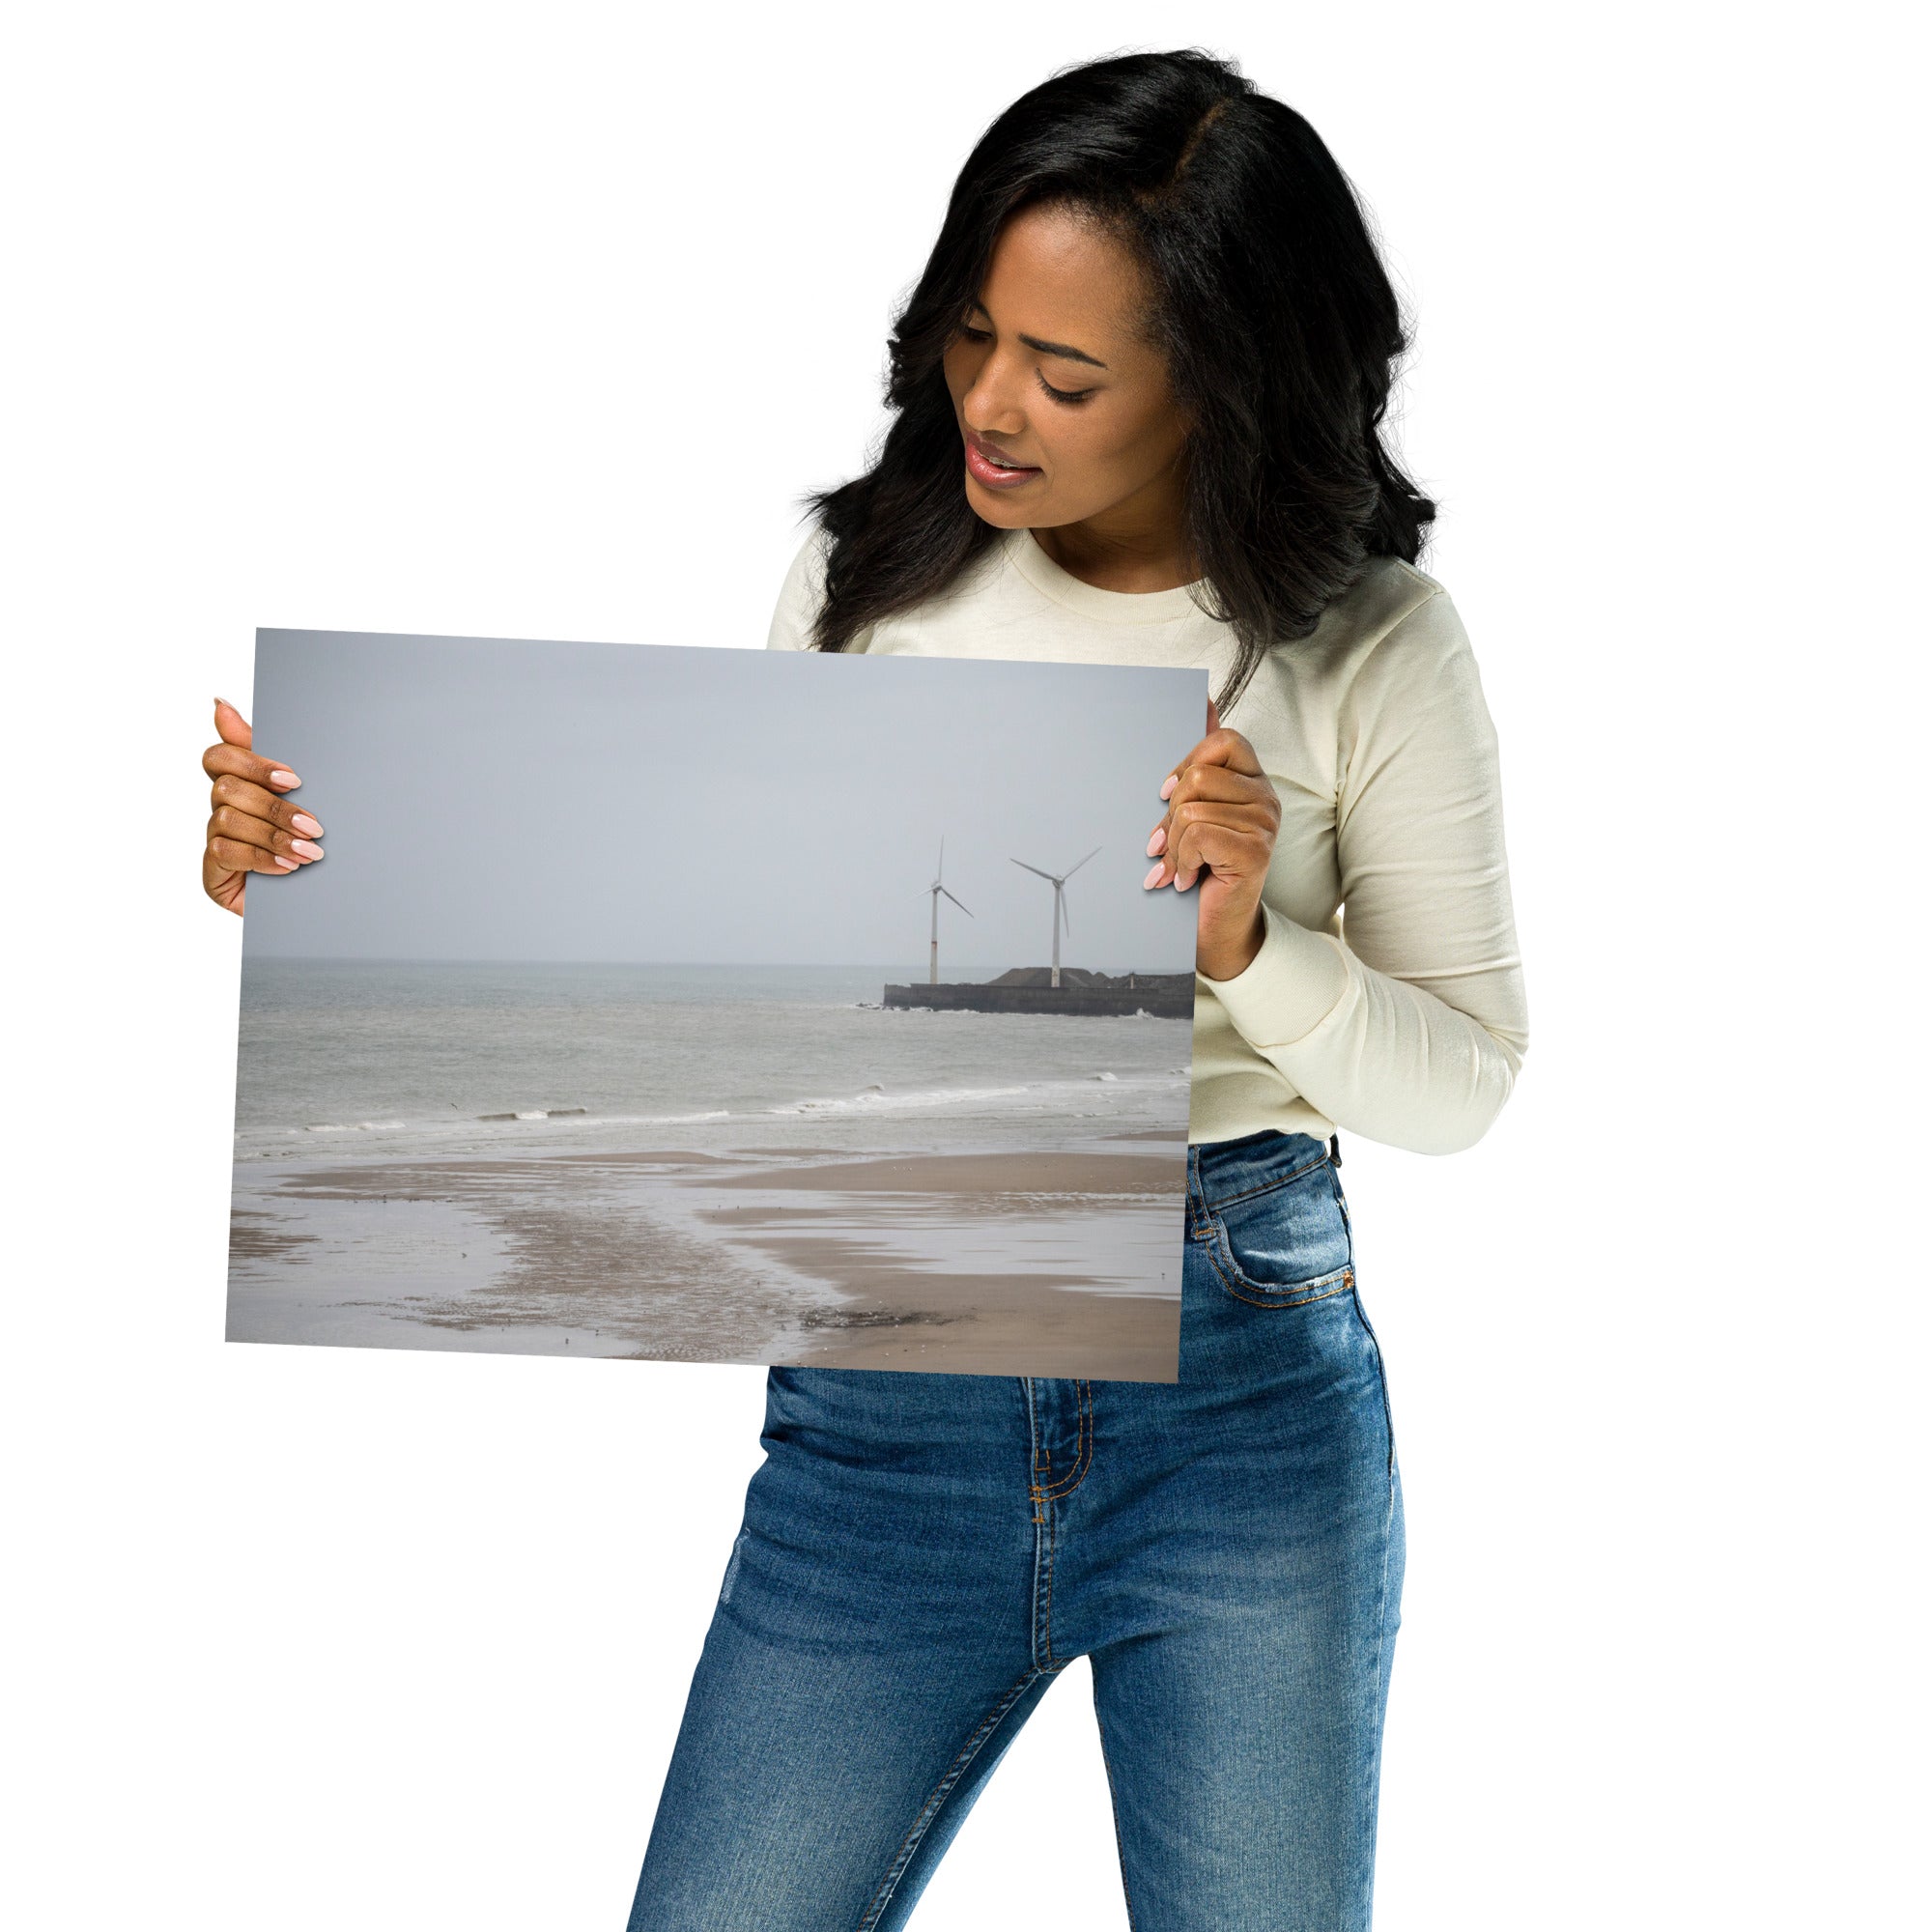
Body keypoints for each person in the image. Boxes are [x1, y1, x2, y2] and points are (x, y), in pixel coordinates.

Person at [200, 48, 1528, 1932]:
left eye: (1065, 375)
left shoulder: (1372, 641)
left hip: (1235, 1387)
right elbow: (727, 984)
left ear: (1223, 379)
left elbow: (1465, 1082)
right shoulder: (863, 578)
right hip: (884, 1407)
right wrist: (328, 872)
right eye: (971, 335)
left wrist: (1247, 944)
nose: (990, 402)